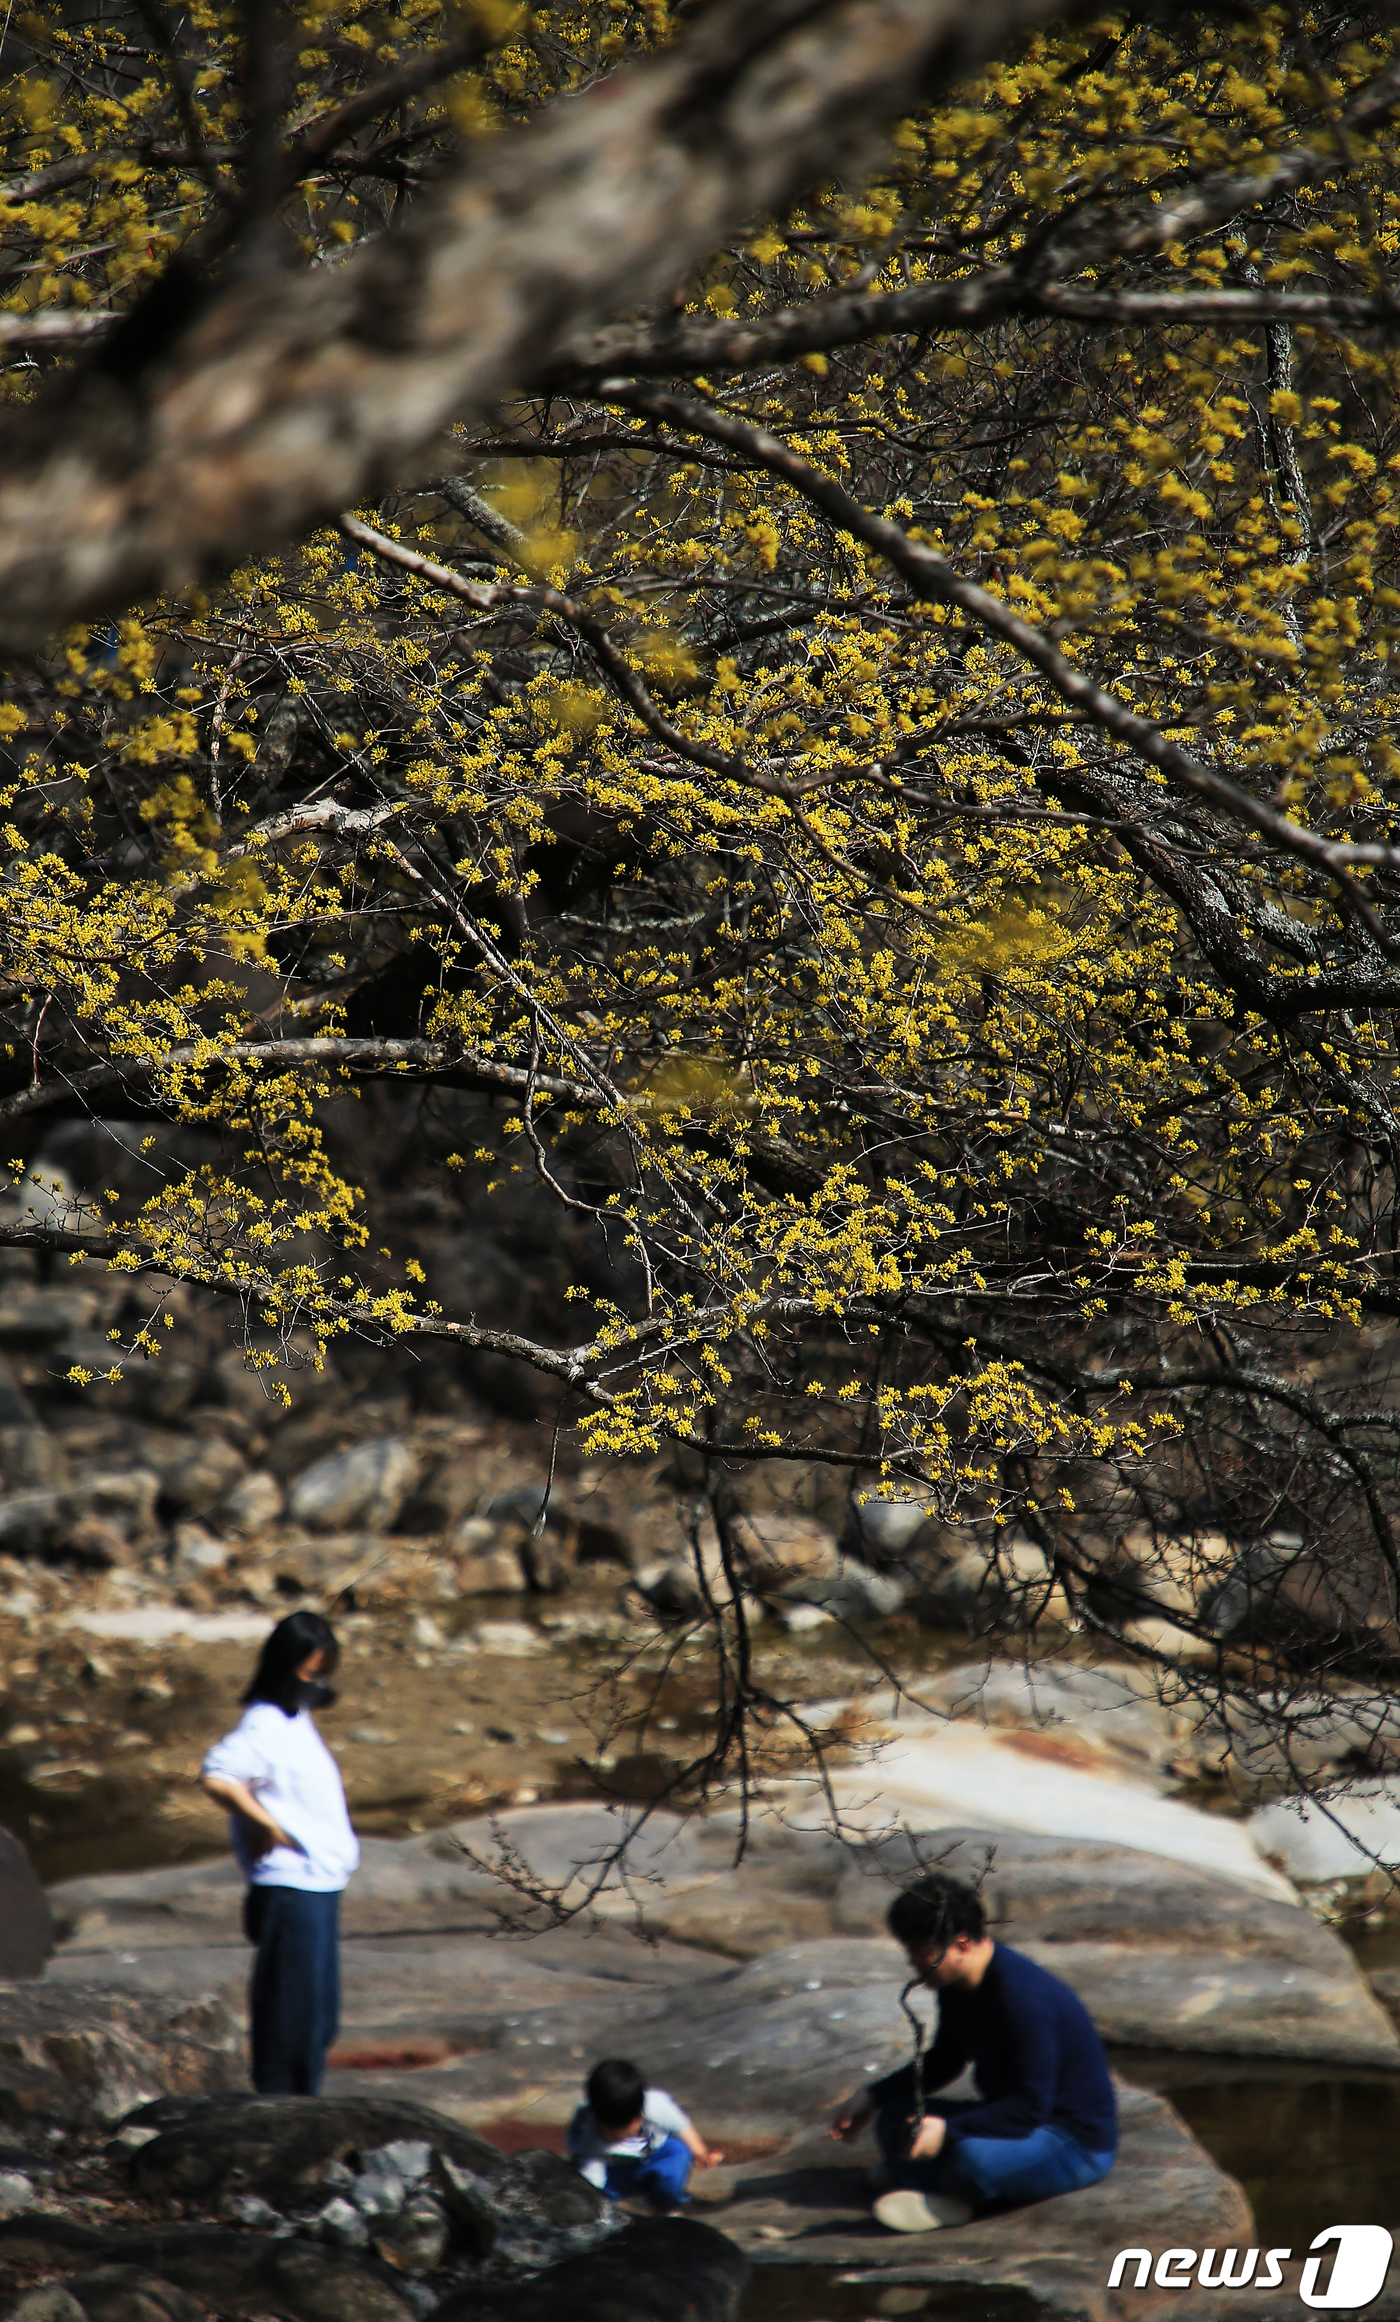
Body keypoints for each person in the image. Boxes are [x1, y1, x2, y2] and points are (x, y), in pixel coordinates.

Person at [831, 1870, 1117, 2233]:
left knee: (973, 2160)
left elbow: (1031, 2107)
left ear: (962, 1945)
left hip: (1071, 2140)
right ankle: (934, 2181)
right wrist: (872, 2096)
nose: (914, 1964)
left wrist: (949, 2130)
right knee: (897, 2116)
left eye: (923, 1952)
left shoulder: (1022, 1999)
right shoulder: (957, 1983)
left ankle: (944, 2189)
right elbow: (947, 2059)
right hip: (1015, 2120)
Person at [200, 1610, 359, 2096]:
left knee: (317, 2021)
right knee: (291, 2026)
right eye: (311, 1670)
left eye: (324, 1669)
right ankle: (280, 2128)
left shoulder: (295, 1719)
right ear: (286, 1666)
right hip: (292, 1887)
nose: (319, 1681)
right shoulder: (265, 1724)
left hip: (319, 1885)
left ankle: (299, 2114)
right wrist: (264, 1824)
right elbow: (217, 1776)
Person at [568, 2057, 725, 2206]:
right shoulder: (587, 2132)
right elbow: (592, 2175)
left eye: (620, 2130)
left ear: (639, 2116)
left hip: (655, 2158)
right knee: (591, 2190)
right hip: (616, 2172)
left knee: (677, 2152)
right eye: (608, 2130)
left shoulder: (656, 2105)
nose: (614, 2136)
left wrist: (701, 2153)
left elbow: (682, 2127)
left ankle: (669, 2206)